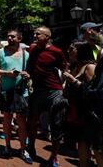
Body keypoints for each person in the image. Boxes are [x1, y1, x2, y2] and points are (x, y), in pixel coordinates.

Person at [25, 26, 68, 167]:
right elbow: (30, 67)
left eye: (38, 34)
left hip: (54, 91)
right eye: (34, 33)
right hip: (37, 91)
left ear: (47, 37)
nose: (35, 36)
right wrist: (28, 74)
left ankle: (54, 156)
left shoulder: (57, 52)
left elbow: (64, 69)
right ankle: (30, 147)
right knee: (31, 121)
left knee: (56, 124)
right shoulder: (32, 49)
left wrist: (64, 85)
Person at [63, 42, 103, 166]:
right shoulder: (74, 67)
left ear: (81, 51)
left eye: (72, 49)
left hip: (91, 115)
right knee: (82, 144)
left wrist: (73, 81)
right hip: (78, 113)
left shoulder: (90, 67)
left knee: (97, 147)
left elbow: (93, 92)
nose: (69, 52)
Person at [0, 29, 32, 163]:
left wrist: (27, 74)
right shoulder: (0, 53)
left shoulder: (26, 54)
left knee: (22, 120)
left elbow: (30, 71)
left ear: (19, 38)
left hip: (22, 92)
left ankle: (23, 149)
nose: (10, 38)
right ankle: (7, 146)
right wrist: (7, 73)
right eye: (8, 36)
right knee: (7, 119)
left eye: (13, 36)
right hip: (7, 91)